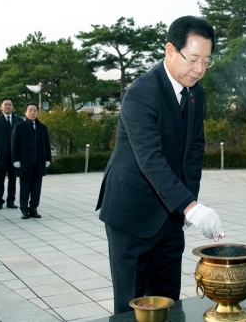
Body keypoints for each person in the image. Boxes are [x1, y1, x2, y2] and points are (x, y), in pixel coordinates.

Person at [95, 16, 225, 314]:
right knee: (133, 307)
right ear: (170, 50)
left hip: (169, 215)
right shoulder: (142, 92)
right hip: (131, 213)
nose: (199, 70)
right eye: (193, 59)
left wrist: (188, 206)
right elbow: (148, 158)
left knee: (168, 301)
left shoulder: (196, 93)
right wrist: (191, 207)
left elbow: (193, 151)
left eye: (207, 61)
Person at [11, 102, 51, 220]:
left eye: (35, 110)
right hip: (24, 163)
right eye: (30, 110)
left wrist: (47, 158)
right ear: (25, 112)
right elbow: (14, 145)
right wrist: (16, 160)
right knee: (25, 187)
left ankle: (33, 209)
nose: (32, 113)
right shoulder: (19, 127)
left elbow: (46, 144)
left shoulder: (42, 127)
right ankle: (24, 210)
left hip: (38, 162)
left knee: (36, 187)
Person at [0, 98, 21, 210]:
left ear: (12, 106)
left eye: (10, 104)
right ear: (1, 107)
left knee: (12, 180)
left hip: (14, 155)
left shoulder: (18, 120)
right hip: (0, 155)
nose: (8, 106)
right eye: (6, 105)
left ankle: (11, 201)